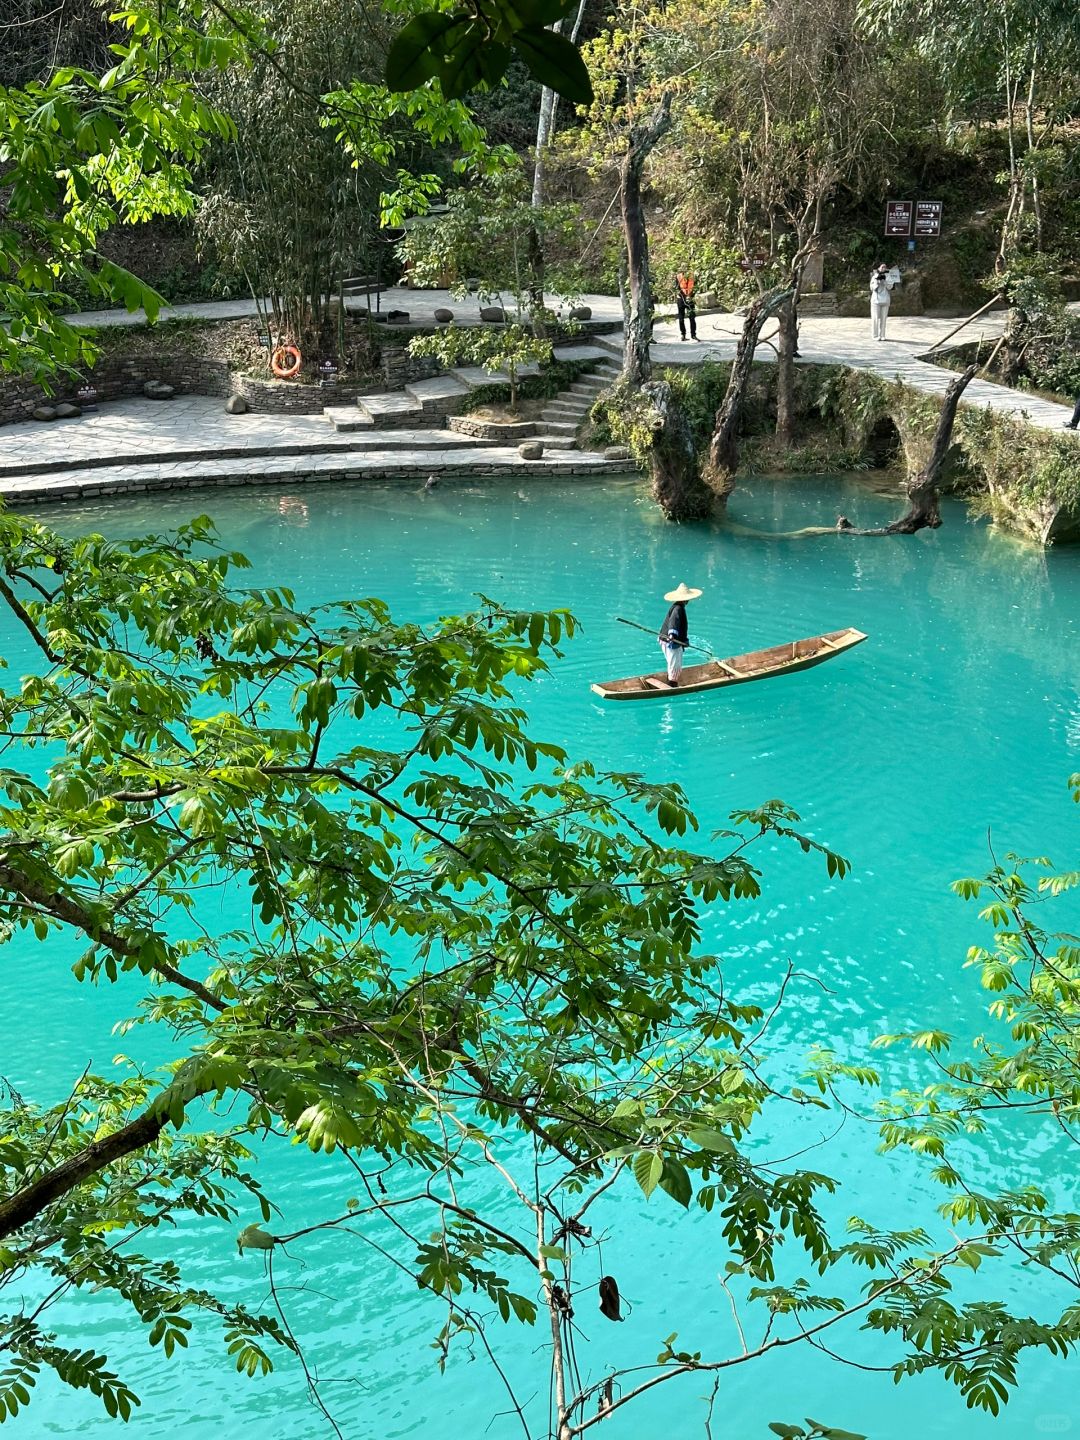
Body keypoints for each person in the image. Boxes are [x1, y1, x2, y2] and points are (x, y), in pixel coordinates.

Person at [657, 581, 702, 686]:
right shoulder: (678, 608)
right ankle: (672, 685)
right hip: (671, 641)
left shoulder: (677, 607)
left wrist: (684, 641)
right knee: (675, 666)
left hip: (666, 639)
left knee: (672, 664)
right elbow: (674, 622)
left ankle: (670, 680)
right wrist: (672, 636)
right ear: (686, 599)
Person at [869, 263, 897, 342]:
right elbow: (872, 288)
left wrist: (885, 281)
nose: (883, 268)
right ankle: (875, 335)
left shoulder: (888, 276)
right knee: (875, 318)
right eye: (882, 267)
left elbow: (890, 287)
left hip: (885, 300)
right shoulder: (874, 276)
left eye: (885, 267)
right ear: (879, 268)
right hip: (875, 300)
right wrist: (877, 282)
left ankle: (882, 335)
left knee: (884, 319)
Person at [675, 272, 698, 342]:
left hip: (690, 299)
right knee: (681, 318)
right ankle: (683, 334)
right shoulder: (678, 276)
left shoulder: (693, 276)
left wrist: (691, 295)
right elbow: (677, 288)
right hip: (681, 299)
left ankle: (693, 335)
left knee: (692, 317)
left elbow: (696, 287)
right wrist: (684, 296)